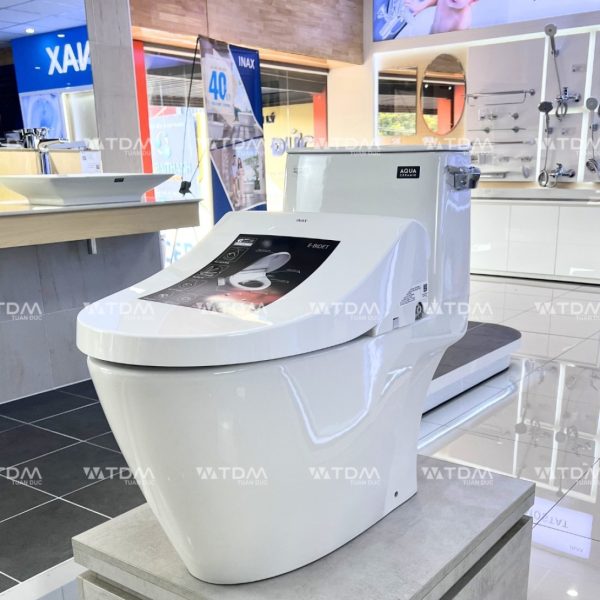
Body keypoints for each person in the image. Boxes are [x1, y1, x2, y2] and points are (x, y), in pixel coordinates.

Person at [405, 0, 479, 34]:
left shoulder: (462, 23)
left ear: (472, 1)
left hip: (442, 47)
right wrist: (420, 6)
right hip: (431, 35)